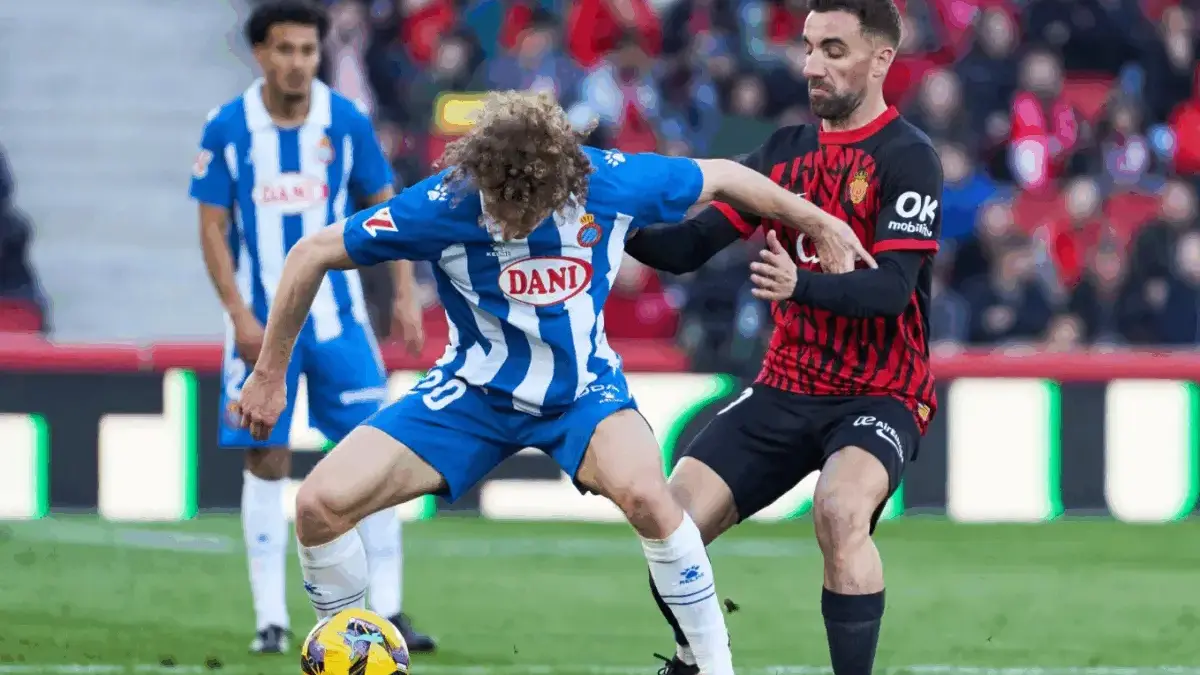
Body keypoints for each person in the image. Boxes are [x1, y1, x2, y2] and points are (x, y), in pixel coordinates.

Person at [230, 90, 873, 675]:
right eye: (499, 203)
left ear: (560, 182)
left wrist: (818, 222)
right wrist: (269, 374)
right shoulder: (443, 204)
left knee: (652, 499)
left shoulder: (610, 181)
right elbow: (309, 253)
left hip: (581, 395)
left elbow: (729, 177)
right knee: (318, 506)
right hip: (471, 394)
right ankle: (343, 652)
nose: (510, 219)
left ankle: (709, 665)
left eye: (525, 205)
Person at [623, 2, 941, 674]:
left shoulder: (909, 157)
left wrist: (803, 287)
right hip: (786, 385)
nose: (810, 66)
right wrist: (605, 223)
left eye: (832, 49)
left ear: (880, 59)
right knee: (668, 525)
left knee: (839, 510)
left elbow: (891, 291)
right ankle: (693, 661)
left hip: (880, 391)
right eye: (807, 48)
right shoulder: (782, 154)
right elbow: (685, 248)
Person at [188, 0, 434, 655]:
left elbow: (387, 207)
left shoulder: (345, 120)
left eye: (308, 50)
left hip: (340, 320)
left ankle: (390, 608)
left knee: (375, 459)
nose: (298, 62)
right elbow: (212, 227)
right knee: (264, 458)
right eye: (285, 49)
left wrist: (405, 293)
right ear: (262, 54)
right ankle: (271, 617)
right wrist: (239, 315)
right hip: (260, 328)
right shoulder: (227, 128)